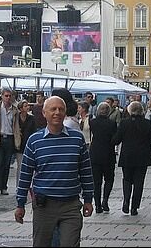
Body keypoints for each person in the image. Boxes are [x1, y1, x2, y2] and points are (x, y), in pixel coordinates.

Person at [15, 96, 94, 247]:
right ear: (44, 113)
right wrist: (20, 204)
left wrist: (88, 199)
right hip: (44, 206)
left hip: (70, 205)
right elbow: (25, 174)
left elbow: (85, 171)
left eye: (61, 109)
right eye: (53, 109)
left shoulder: (77, 138)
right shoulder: (34, 141)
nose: (57, 112)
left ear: (65, 113)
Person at [112, 101, 151, 216]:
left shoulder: (124, 123)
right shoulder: (146, 123)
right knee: (139, 182)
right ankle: (134, 207)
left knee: (127, 179)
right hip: (142, 156)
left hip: (127, 155)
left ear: (129, 110)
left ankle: (126, 201)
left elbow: (117, 139)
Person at [0, 87, 21, 196]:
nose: (8, 98)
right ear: (1, 96)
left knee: (6, 164)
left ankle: (3, 186)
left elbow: (16, 125)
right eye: (6, 95)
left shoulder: (15, 110)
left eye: (10, 96)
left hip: (10, 138)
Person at [89, 102, 117, 213]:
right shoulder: (112, 123)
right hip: (108, 153)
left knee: (96, 181)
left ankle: (97, 205)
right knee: (109, 179)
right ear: (108, 111)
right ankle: (105, 200)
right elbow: (114, 138)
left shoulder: (92, 122)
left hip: (95, 153)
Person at [15, 99, 36, 187]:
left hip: (28, 143)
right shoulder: (16, 118)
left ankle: (28, 184)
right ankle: (19, 185)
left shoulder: (31, 118)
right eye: (25, 106)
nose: (27, 107)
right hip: (19, 144)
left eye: (28, 106)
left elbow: (33, 130)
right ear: (20, 108)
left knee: (29, 165)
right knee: (20, 165)